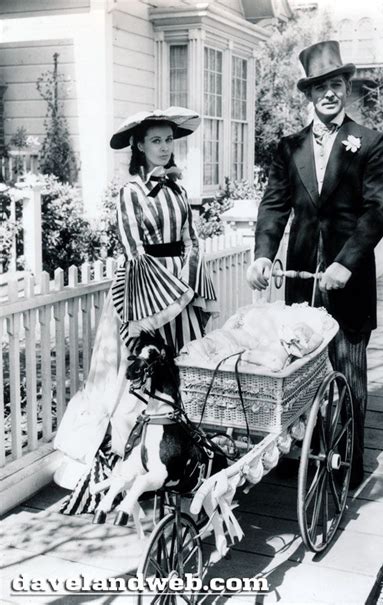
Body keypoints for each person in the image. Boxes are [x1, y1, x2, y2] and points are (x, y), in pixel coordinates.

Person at [53, 107, 218, 512]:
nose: (164, 148)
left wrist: (191, 283)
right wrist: (160, 297)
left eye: (168, 140)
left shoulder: (179, 190)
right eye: (156, 141)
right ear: (139, 146)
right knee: (139, 369)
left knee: (179, 368)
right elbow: (133, 252)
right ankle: (127, 462)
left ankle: (174, 455)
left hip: (177, 287)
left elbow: (191, 240)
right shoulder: (130, 193)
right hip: (143, 292)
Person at [247, 41, 383, 488]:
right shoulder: (288, 148)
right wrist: (262, 254)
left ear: (346, 89)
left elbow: (378, 208)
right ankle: (305, 454)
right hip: (301, 280)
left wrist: (347, 262)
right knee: (300, 366)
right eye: (320, 87)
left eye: (336, 84)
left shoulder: (370, 143)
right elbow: (274, 207)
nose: (329, 93)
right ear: (308, 95)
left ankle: (348, 466)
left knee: (347, 368)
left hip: (347, 280)